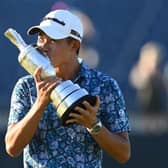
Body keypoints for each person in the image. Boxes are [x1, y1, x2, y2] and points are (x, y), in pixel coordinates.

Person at [5, 9, 131, 167]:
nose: (43, 46)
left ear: (74, 45)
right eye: (41, 37)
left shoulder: (104, 86)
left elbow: (124, 153)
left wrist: (93, 125)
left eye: (52, 41)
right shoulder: (26, 86)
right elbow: (12, 147)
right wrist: (40, 104)